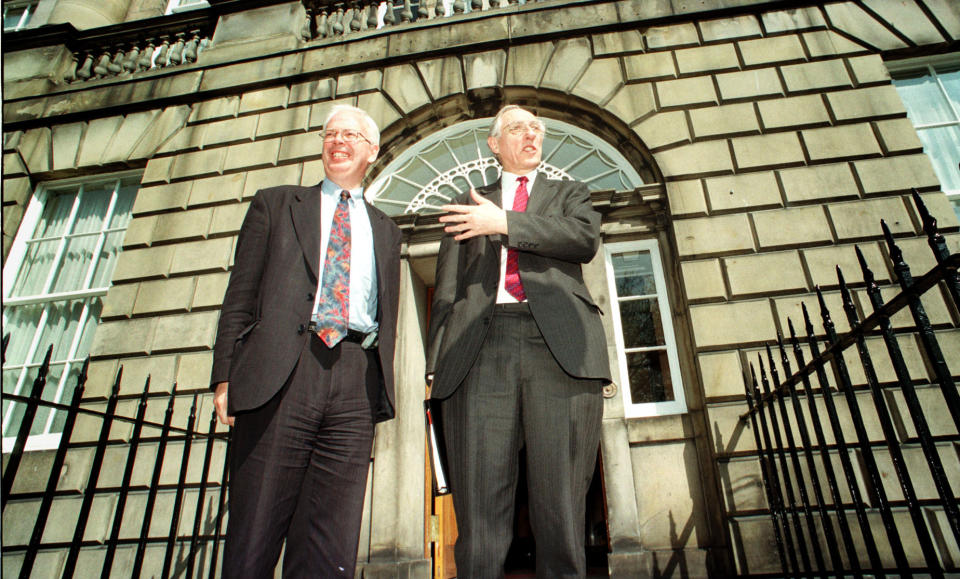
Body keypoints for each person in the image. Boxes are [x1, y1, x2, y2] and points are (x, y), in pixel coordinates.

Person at [210, 104, 402, 578]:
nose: (338, 141)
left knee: (328, 542)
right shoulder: (275, 204)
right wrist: (225, 377)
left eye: (351, 135)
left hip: (356, 375)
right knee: (254, 532)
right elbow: (241, 296)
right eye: (330, 134)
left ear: (372, 150)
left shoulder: (388, 229)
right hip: (282, 373)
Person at [426, 104, 611, 578]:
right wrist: (437, 364)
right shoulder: (468, 201)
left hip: (561, 350)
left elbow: (582, 239)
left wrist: (504, 223)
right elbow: (447, 291)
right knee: (480, 507)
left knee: (561, 504)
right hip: (479, 350)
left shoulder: (569, 193)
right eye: (516, 129)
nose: (530, 136)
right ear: (494, 144)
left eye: (536, 129)